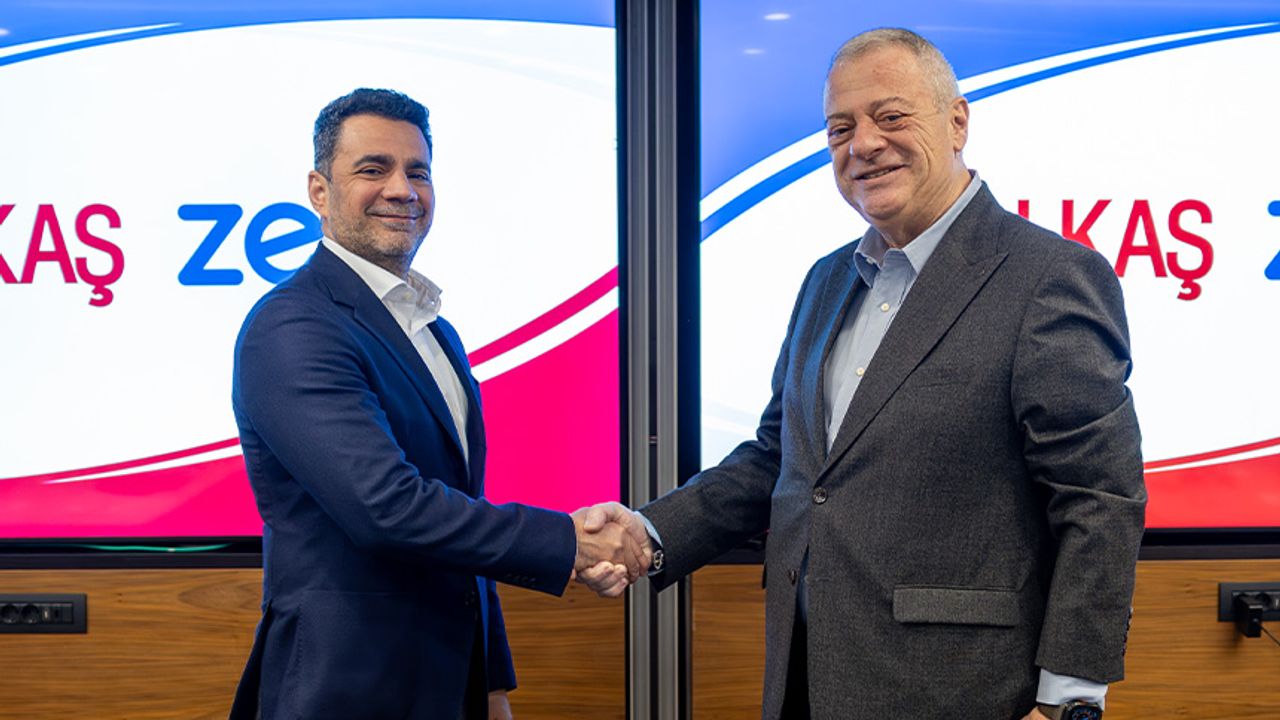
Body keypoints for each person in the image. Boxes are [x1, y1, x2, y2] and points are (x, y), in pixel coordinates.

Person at [615, 28, 1146, 719]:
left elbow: (1099, 498)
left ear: (957, 122)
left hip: (965, 695)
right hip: (808, 683)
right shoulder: (826, 280)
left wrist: (1069, 698)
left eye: (891, 116)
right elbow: (780, 459)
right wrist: (647, 534)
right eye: (840, 129)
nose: (863, 144)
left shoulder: (1049, 276)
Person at [227, 88, 644, 720]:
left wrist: (492, 683)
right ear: (319, 192)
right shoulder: (293, 325)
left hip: (449, 687)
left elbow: (459, 509)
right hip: (345, 692)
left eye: (417, 172)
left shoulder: (431, 329)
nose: (402, 190)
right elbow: (386, 507)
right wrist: (568, 542)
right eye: (373, 169)